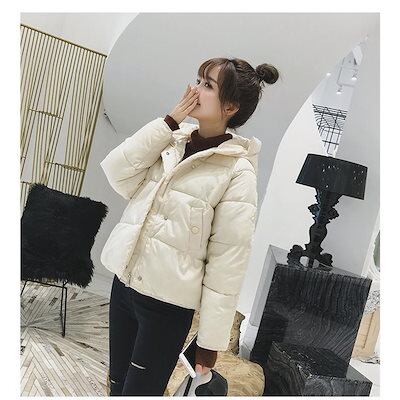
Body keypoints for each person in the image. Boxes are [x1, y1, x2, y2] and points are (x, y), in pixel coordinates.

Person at [100, 57, 279, 396]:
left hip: (165, 308)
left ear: (230, 107)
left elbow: (228, 262)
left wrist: (210, 342)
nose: (194, 90)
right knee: (116, 385)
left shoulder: (237, 173)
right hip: (124, 286)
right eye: (197, 80)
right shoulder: (172, 140)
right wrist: (169, 121)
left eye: (207, 85)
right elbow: (117, 173)